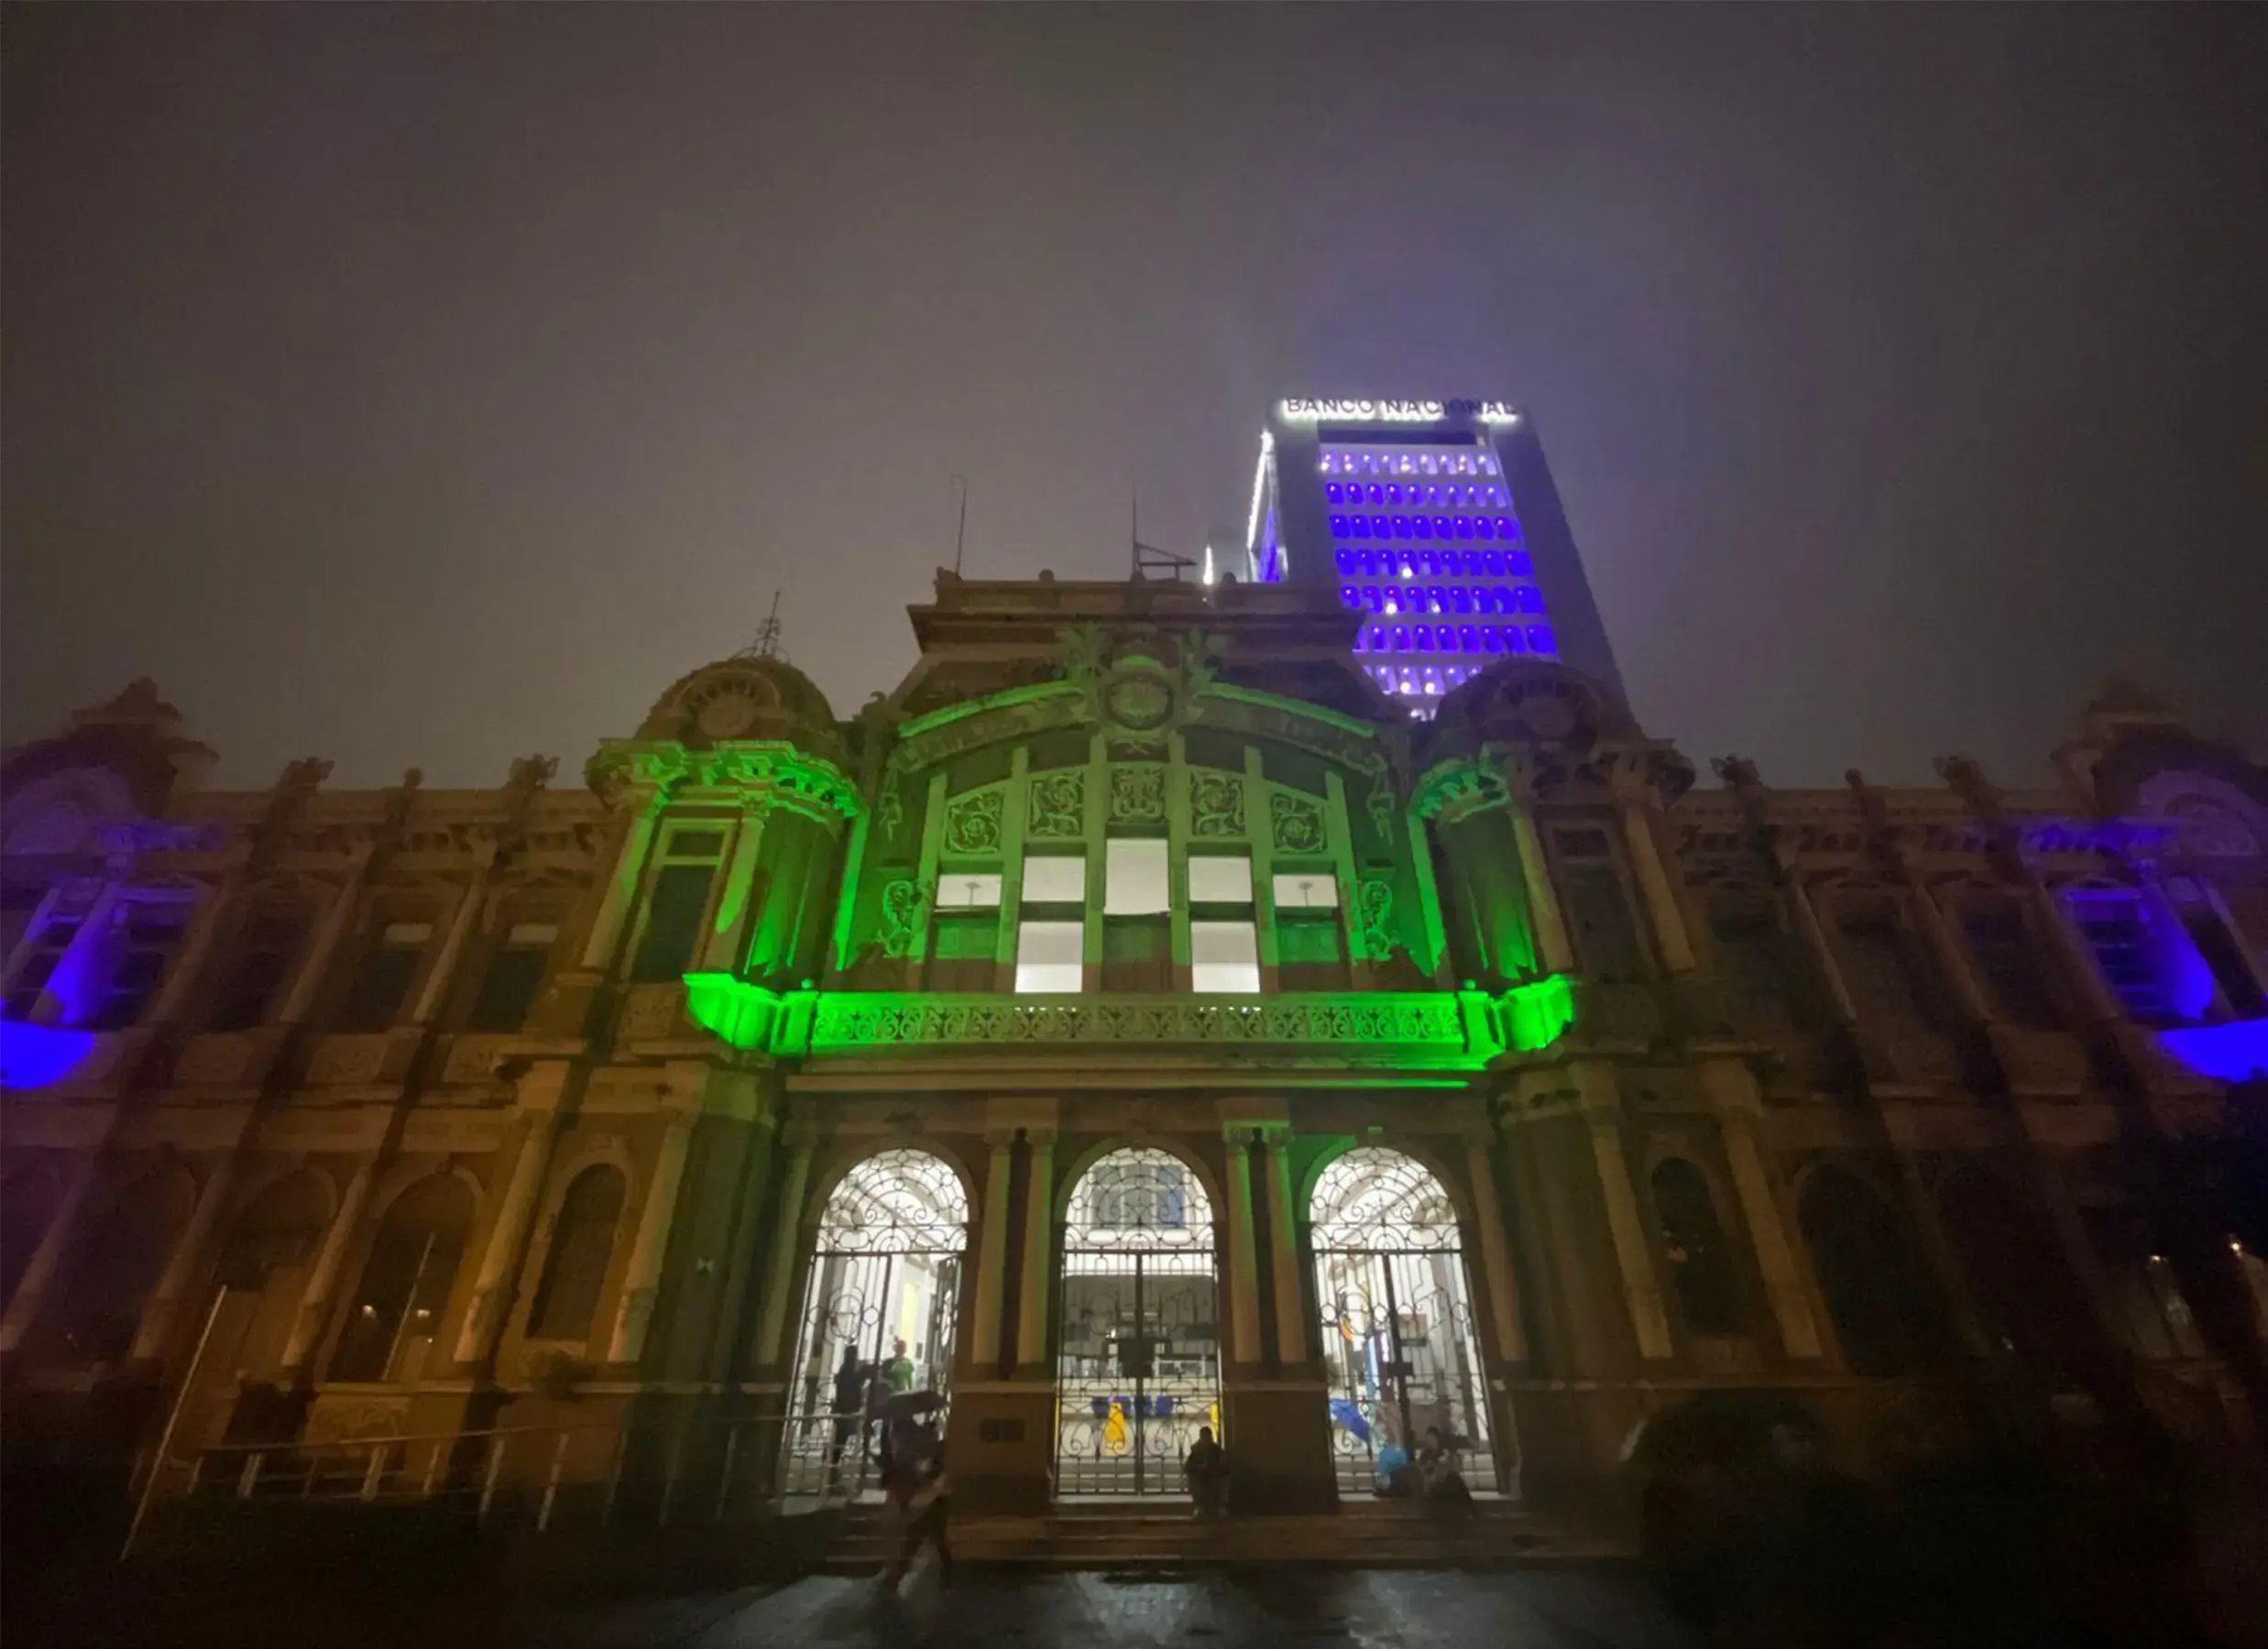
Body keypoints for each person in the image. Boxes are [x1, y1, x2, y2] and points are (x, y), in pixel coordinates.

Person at [878, 1425, 951, 1592]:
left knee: (916, 1543)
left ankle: (894, 1580)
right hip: (930, 1509)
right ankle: (947, 1576)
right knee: (933, 1543)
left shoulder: (934, 1463)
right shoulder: (925, 1460)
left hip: (931, 1508)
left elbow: (936, 1485)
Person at [827, 1345, 865, 1494]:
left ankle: (834, 1471)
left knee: (840, 1441)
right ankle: (832, 1472)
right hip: (846, 1411)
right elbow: (851, 1390)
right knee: (840, 1441)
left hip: (846, 1411)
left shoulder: (846, 1370)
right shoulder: (848, 1371)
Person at [1184, 1425, 1228, 1519]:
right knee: (1193, 1479)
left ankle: (1221, 1507)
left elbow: (1224, 1466)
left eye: (1207, 1437)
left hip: (1214, 1476)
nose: (1206, 1440)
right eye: (1204, 1437)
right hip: (1199, 1477)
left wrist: (1214, 1468)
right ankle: (1199, 1506)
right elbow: (1187, 1467)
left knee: (1224, 1480)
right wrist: (1199, 1467)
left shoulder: (1216, 1449)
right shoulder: (1196, 1450)